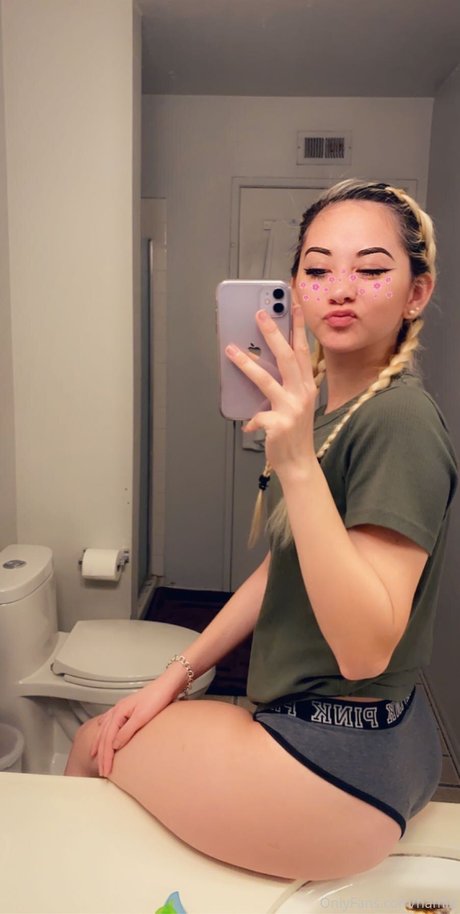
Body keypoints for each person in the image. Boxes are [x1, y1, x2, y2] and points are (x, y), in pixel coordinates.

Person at [65, 179, 458, 883]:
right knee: (132, 722)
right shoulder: (334, 412)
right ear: (294, 292)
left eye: (371, 270)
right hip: (374, 737)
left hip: (340, 763)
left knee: (95, 744)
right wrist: (175, 677)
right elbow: (288, 564)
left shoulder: (397, 421)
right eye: (318, 270)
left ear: (416, 294)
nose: (341, 289)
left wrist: (296, 462)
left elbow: (365, 650)